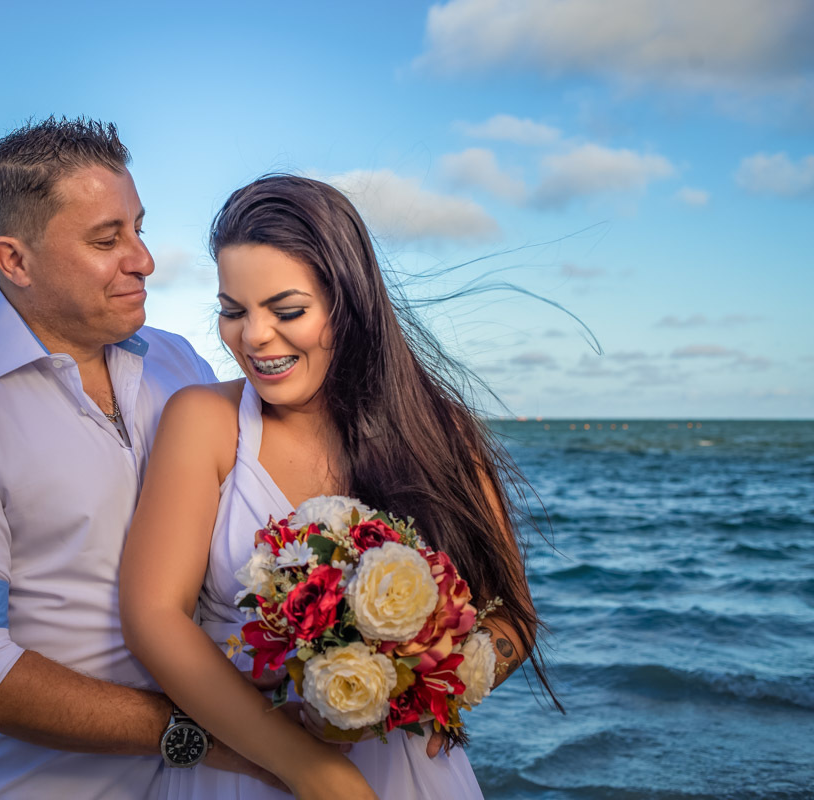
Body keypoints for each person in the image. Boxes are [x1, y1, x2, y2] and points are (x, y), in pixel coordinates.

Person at [0, 118, 279, 798]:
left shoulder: (179, 361)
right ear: (15, 260)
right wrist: (208, 732)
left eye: (139, 229)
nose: (144, 259)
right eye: (106, 239)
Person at [121, 175, 559, 798]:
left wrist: (441, 682)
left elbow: (511, 614)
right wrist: (315, 772)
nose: (254, 337)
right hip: (249, 772)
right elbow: (152, 618)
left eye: (287, 310)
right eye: (232, 311)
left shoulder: (439, 433)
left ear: (348, 303)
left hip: (410, 776)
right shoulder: (204, 420)